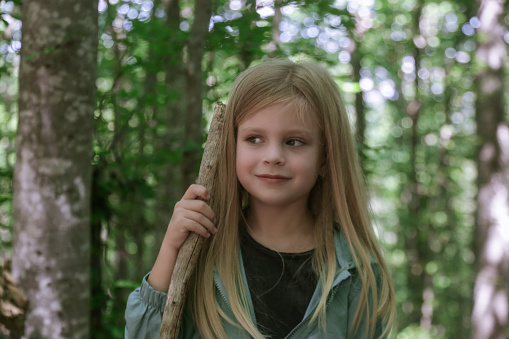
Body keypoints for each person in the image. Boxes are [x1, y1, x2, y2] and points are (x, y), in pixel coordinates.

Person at [125, 59, 396, 339]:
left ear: (325, 157)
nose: (273, 156)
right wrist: (172, 248)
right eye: (254, 139)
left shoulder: (358, 273)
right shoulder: (202, 254)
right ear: (232, 147)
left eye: (294, 141)